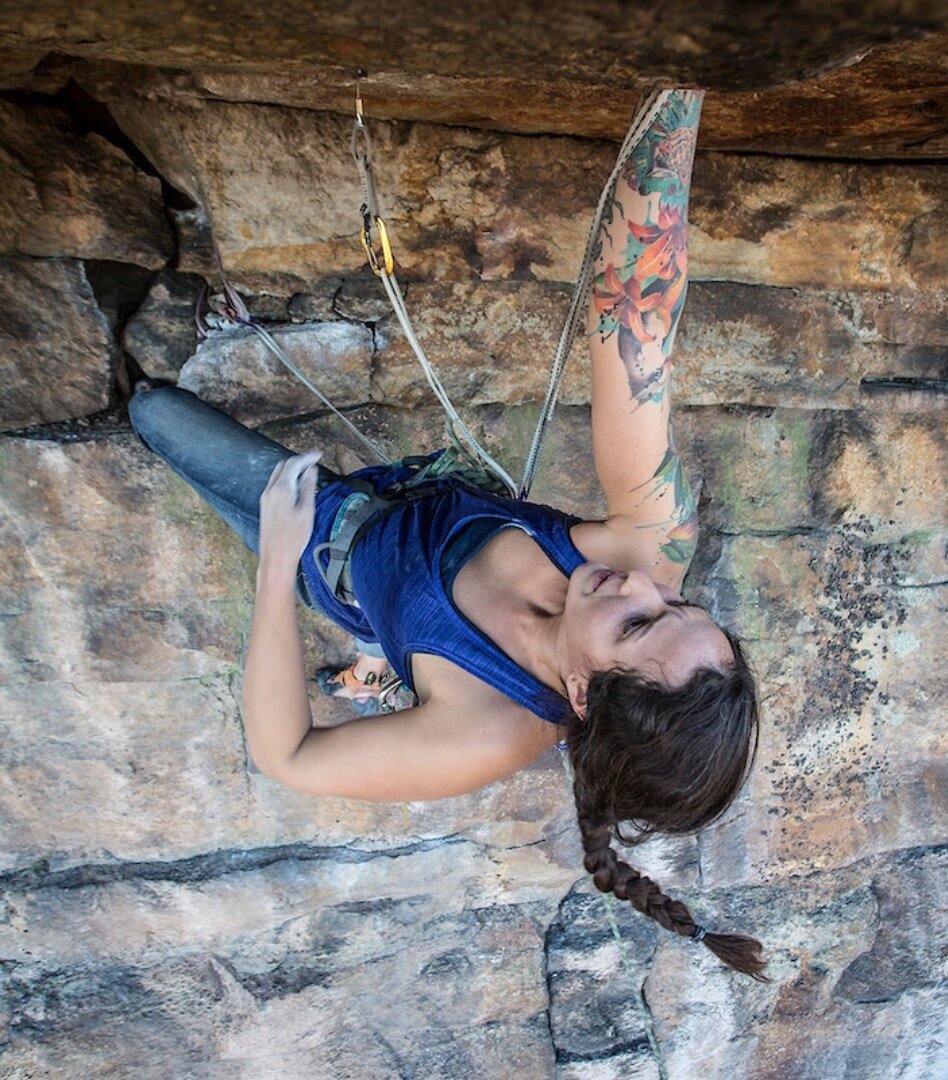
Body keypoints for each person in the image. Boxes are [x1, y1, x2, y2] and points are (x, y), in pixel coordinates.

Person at [129, 89, 765, 979]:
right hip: (418, 503)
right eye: (677, 600)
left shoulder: (486, 734)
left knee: (156, 411)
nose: (644, 584)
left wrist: (276, 569)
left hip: (326, 553)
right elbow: (638, 328)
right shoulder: (641, 550)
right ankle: (388, 662)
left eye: (637, 625)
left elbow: (288, 756)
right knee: (403, 627)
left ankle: (384, 658)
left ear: (580, 696)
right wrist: (687, 89)